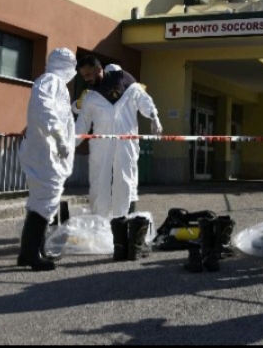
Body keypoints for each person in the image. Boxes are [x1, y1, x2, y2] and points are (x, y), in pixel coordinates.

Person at [75, 55, 163, 218]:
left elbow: (145, 101)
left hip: (126, 144)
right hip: (101, 145)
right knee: (99, 182)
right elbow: (82, 124)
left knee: (124, 182)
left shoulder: (129, 86)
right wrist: (69, 143)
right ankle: (100, 221)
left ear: (98, 69)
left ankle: (121, 222)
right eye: (83, 76)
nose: (86, 79)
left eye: (88, 74)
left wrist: (154, 117)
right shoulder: (91, 96)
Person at [17, 48, 78, 271]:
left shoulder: (56, 84)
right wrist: (60, 137)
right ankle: (31, 254)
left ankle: (31, 251)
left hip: (48, 153)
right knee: (45, 201)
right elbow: (43, 110)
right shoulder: (49, 81)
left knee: (41, 203)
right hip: (45, 154)